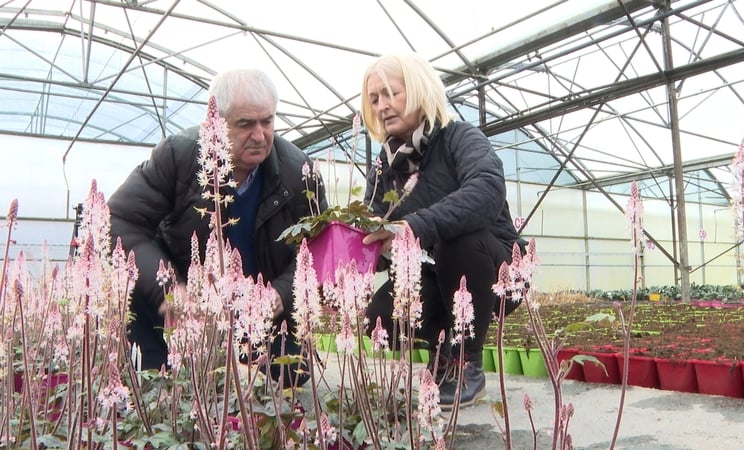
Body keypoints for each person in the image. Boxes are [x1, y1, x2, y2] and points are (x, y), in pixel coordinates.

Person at [108, 68, 326, 385]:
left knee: (290, 373)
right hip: (190, 303)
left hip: (261, 310)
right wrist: (167, 290)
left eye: (267, 121)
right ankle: (155, 376)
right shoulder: (177, 156)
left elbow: (320, 248)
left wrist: (280, 293)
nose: (260, 134)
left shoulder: (298, 173)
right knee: (134, 297)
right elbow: (121, 220)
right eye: (245, 124)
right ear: (216, 123)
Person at [360, 53, 526, 409]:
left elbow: (488, 189)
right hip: (438, 276)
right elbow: (376, 234)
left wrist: (414, 226)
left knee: (457, 238)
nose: (382, 106)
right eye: (374, 99)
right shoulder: (385, 168)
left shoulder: (459, 137)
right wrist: (350, 248)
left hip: (495, 272)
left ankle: (468, 362)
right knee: (380, 316)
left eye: (391, 94)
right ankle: (445, 351)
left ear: (419, 90)